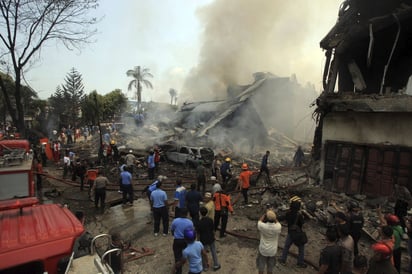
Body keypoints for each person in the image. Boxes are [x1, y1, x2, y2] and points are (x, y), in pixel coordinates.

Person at [278, 196, 307, 268]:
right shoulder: (299, 215)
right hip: (298, 234)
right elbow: (303, 224)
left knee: (286, 246)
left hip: (290, 233)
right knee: (301, 248)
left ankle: (283, 260)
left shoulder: (288, 213)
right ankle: (300, 263)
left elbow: (281, 218)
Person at [377, 207, 403, 272]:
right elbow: (384, 223)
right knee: (397, 266)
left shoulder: (392, 232)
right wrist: (379, 212)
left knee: (391, 267)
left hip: (393, 250)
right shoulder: (399, 228)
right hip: (398, 249)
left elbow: (383, 224)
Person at [256, 209, 281, 274]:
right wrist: (272, 214)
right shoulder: (278, 227)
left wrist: (265, 214)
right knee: (270, 268)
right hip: (272, 251)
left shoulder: (262, 226)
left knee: (261, 267)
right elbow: (277, 222)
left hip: (263, 250)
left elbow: (259, 220)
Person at [171, 208, 194, 274]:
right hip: (186, 240)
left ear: (180, 213)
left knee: (177, 256)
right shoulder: (190, 222)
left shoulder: (175, 221)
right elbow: (191, 232)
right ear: (187, 214)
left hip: (177, 240)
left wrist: (174, 235)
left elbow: (172, 230)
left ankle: (178, 271)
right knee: (185, 252)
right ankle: (184, 261)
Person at [198, 206, 221, 271]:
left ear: (200, 213)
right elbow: (213, 230)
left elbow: (198, 233)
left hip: (203, 240)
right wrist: (214, 236)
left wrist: (198, 240)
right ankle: (216, 265)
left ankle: (205, 267)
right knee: (213, 251)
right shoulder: (210, 220)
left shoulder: (199, 222)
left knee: (203, 253)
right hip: (211, 238)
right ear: (207, 212)